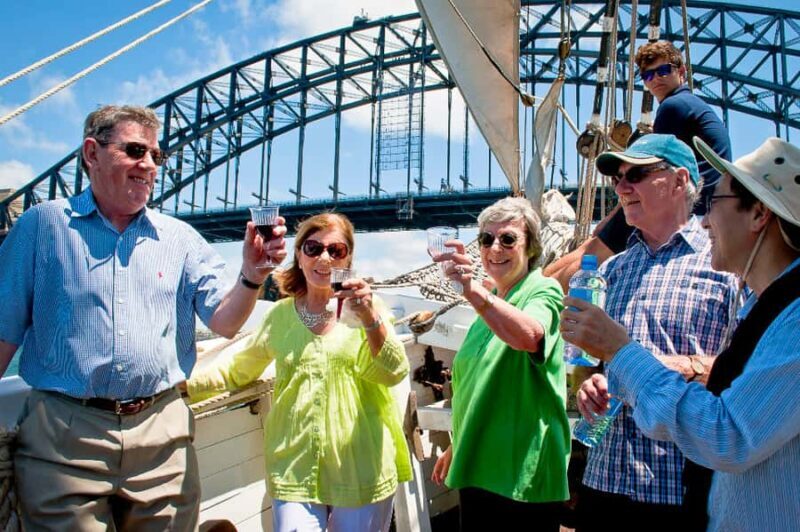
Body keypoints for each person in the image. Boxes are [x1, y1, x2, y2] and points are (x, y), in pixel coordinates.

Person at [0, 105, 287, 530]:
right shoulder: (42, 226)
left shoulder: (180, 238)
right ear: (92, 153)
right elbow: (4, 333)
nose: (149, 165)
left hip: (161, 434)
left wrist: (251, 274)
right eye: (136, 150)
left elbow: (224, 322)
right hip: (63, 437)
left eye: (157, 156)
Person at [560, 137, 800, 531]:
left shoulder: (730, 267)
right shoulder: (612, 270)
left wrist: (633, 358)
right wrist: (596, 381)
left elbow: (736, 393)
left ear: (678, 180)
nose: (621, 187)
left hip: (675, 487)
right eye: (618, 178)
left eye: (635, 174)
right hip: (606, 479)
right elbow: (598, 365)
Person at [186, 212, 411, 532]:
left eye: (336, 250)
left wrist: (370, 317)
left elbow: (393, 372)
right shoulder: (280, 316)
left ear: (348, 258)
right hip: (294, 465)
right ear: (298, 255)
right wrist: (181, 387)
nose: (323, 257)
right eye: (313, 248)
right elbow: (236, 373)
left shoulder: (366, 310)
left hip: (361, 467)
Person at [429, 197, 570, 531]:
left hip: (520, 470)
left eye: (508, 239)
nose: (495, 248)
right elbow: (481, 384)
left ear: (530, 247)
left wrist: (471, 289)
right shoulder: (492, 307)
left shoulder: (542, 289)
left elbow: (530, 336)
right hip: (479, 463)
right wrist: (457, 444)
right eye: (486, 239)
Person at [545, 40, 732, 291]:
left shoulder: (673, 106)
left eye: (663, 71)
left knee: (588, 255)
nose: (655, 79)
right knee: (589, 248)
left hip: (680, 204)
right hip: (692, 201)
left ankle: (534, 298)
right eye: (647, 75)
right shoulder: (691, 106)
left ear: (681, 72)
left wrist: (612, 217)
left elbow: (652, 162)